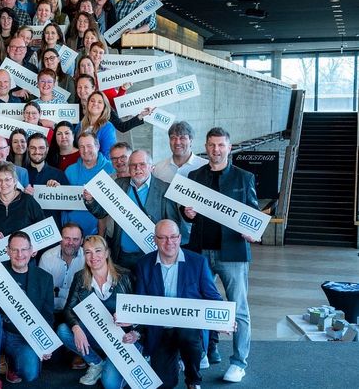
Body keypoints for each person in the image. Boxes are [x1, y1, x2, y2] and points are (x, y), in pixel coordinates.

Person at [182, 127, 259, 383]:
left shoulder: (244, 178)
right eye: (212, 145)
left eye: (221, 145)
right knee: (197, 306)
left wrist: (252, 232)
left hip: (233, 253)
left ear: (229, 147)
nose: (216, 150)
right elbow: (186, 212)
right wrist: (186, 214)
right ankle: (200, 352)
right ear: (206, 146)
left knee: (239, 309)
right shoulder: (194, 176)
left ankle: (239, 363)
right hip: (200, 252)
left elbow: (253, 215)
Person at [132, 219, 224, 389]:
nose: (169, 242)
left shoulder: (198, 262)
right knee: (165, 384)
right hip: (160, 330)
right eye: (163, 238)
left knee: (187, 336)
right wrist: (135, 329)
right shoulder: (144, 264)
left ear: (180, 238)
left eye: (173, 237)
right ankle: (175, 363)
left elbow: (213, 297)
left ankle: (193, 379)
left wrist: (224, 320)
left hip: (188, 329)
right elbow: (140, 303)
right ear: (155, 239)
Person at [0, 232, 54, 387]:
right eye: (14, 250)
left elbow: (47, 316)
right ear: (7, 251)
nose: (19, 254)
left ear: (31, 251)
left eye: (24, 249)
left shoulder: (44, 278)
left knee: (30, 373)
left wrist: (46, 344)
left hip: (22, 338)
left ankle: (9, 362)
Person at [56, 234, 133, 387]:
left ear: (107, 253)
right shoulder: (80, 277)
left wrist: (132, 327)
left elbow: (139, 312)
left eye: (98, 251)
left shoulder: (125, 276)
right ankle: (96, 363)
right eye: (88, 252)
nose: (93, 257)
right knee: (64, 330)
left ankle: (117, 362)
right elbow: (68, 310)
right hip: (95, 334)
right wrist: (76, 328)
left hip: (121, 340)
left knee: (110, 384)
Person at [84, 149, 181, 271]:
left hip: (151, 255)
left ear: (151, 167)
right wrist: (90, 200)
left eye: (142, 164)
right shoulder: (118, 184)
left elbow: (173, 224)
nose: (137, 168)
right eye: (133, 165)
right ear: (129, 168)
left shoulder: (164, 189)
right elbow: (101, 213)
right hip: (121, 255)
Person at [0, 162, 44, 247]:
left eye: (7, 179)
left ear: (15, 181)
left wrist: (33, 247)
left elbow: (42, 226)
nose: (3, 184)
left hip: (23, 252)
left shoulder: (28, 201)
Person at [63, 132, 114, 237]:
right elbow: (62, 201)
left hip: (100, 235)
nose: (85, 150)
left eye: (89, 146)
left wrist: (101, 236)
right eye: (82, 147)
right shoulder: (70, 171)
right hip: (72, 235)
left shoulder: (111, 169)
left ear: (98, 146)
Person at [38, 222, 85, 314]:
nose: (70, 243)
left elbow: (83, 294)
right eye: (67, 238)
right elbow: (42, 291)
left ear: (82, 241)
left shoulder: (87, 259)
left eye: (75, 239)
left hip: (75, 311)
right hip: (49, 310)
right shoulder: (47, 257)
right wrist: (71, 293)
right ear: (59, 239)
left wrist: (57, 291)